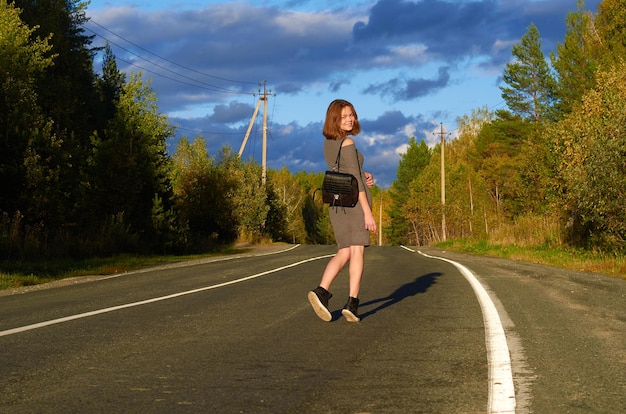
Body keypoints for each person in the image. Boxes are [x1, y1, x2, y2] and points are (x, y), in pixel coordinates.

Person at [308, 99, 376, 322]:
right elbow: (353, 177)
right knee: (357, 252)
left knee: (345, 251)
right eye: (344, 116)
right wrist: (367, 212)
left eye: (352, 115)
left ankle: (322, 291)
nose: (350, 119)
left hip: (337, 206)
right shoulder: (347, 143)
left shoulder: (329, 144)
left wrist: (365, 175)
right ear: (334, 119)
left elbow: (347, 172)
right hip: (354, 205)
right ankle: (352, 303)